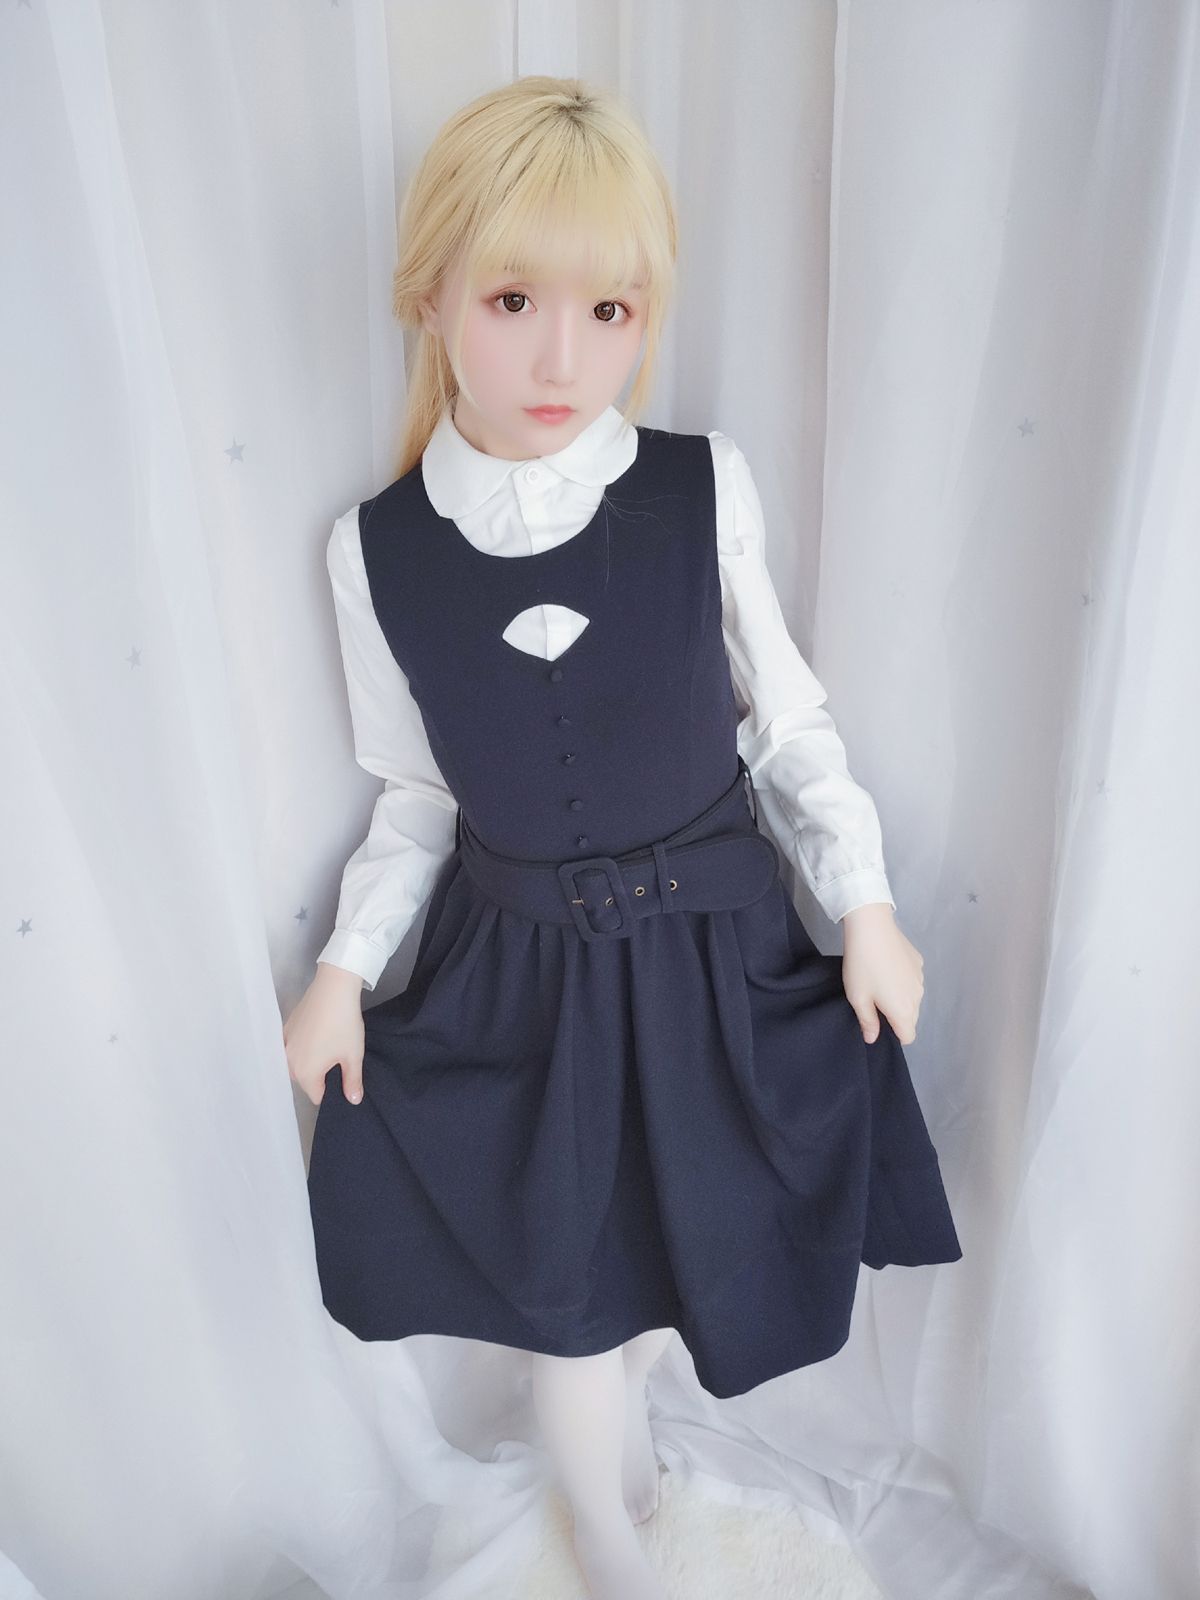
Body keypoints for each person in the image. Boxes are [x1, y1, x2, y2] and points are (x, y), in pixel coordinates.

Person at [284, 75, 962, 1600]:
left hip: (719, 959)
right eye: (513, 300)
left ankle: (632, 1486)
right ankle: (606, 1540)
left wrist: (864, 906)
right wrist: (343, 969)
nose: (561, 358)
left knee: (670, 1268)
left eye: (610, 312)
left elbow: (787, 724)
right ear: (430, 294)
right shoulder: (377, 550)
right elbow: (419, 793)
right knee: (573, 1297)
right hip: (525, 984)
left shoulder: (698, 489)